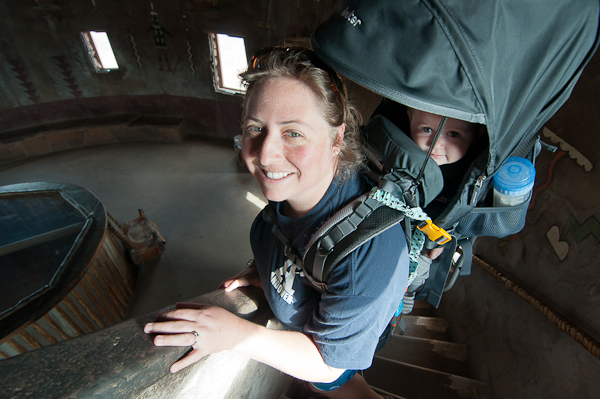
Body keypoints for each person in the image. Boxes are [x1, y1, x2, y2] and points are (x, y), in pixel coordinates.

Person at [144, 45, 408, 399]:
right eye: (255, 128)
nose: (264, 155)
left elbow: (329, 365)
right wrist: (267, 270)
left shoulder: (370, 252)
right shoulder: (279, 211)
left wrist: (236, 335)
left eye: (293, 133)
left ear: (337, 138)